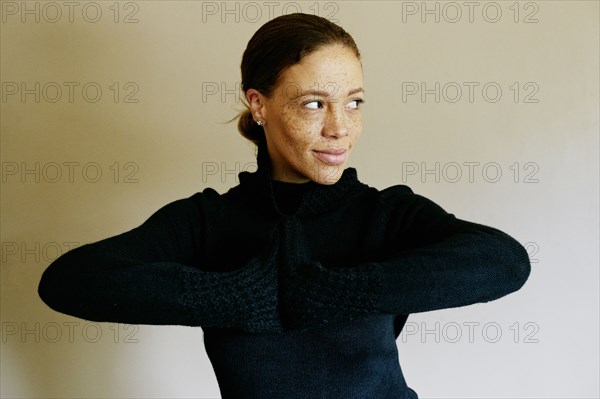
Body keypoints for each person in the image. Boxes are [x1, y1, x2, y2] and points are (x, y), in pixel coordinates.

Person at [38, 13, 531, 399]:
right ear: (259, 105)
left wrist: (344, 290)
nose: (340, 127)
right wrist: (235, 296)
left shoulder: (386, 214)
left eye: (354, 102)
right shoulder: (209, 221)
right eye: (314, 103)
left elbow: (504, 260)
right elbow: (70, 280)